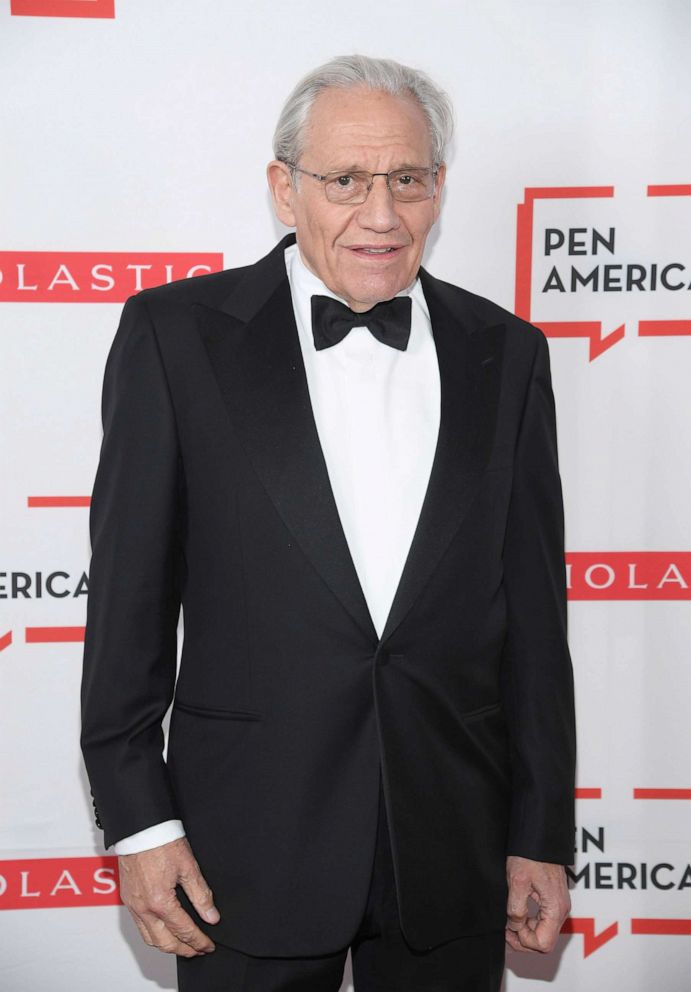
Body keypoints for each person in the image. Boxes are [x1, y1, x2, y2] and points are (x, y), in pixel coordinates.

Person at [81, 54, 576, 992]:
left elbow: (535, 626)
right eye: (345, 180)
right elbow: (127, 609)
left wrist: (538, 832)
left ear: (439, 187)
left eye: (408, 179)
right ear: (284, 188)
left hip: (453, 848)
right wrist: (141, 825)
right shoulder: (175, 337)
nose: (380, 214)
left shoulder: (506, 353)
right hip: (240, 851)